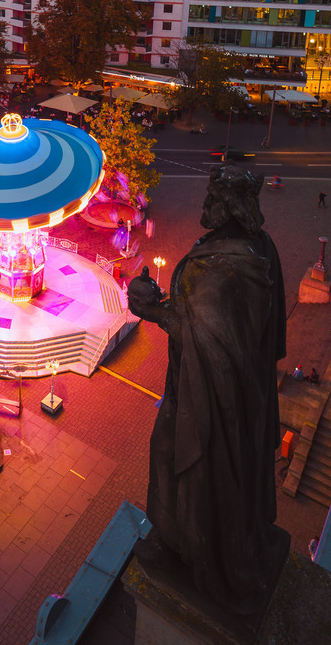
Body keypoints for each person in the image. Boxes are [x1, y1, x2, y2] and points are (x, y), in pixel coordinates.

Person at [129, 165, 288, 615]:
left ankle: (192, 553)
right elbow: (264, 336)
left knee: (174, 456)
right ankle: (187, 542)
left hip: (212, 400)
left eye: (211, 197)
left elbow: (208, 339)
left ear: (229, 205)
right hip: (242, 393)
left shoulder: (225, 266)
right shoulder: (263, 248)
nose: (203, 204)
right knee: (209, 469)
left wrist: (152, 310)